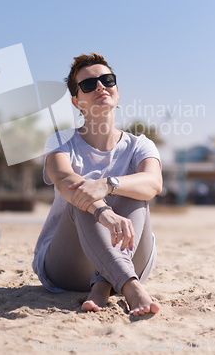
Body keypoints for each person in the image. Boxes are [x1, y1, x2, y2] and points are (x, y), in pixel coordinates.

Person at [32, 53, 162, 316]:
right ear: (76, 101)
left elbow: (153, 183)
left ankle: (103, 284)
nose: (100, 87)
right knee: (79, 195)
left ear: (117, 90)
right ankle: (130, 287)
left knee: (134, 188)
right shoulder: (60, 141)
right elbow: (64, 179)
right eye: (89, 85)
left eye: (107, 80)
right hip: (68, 265)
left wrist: (107, 184)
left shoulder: (140, 145)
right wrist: (102, 211)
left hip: (133, 254)